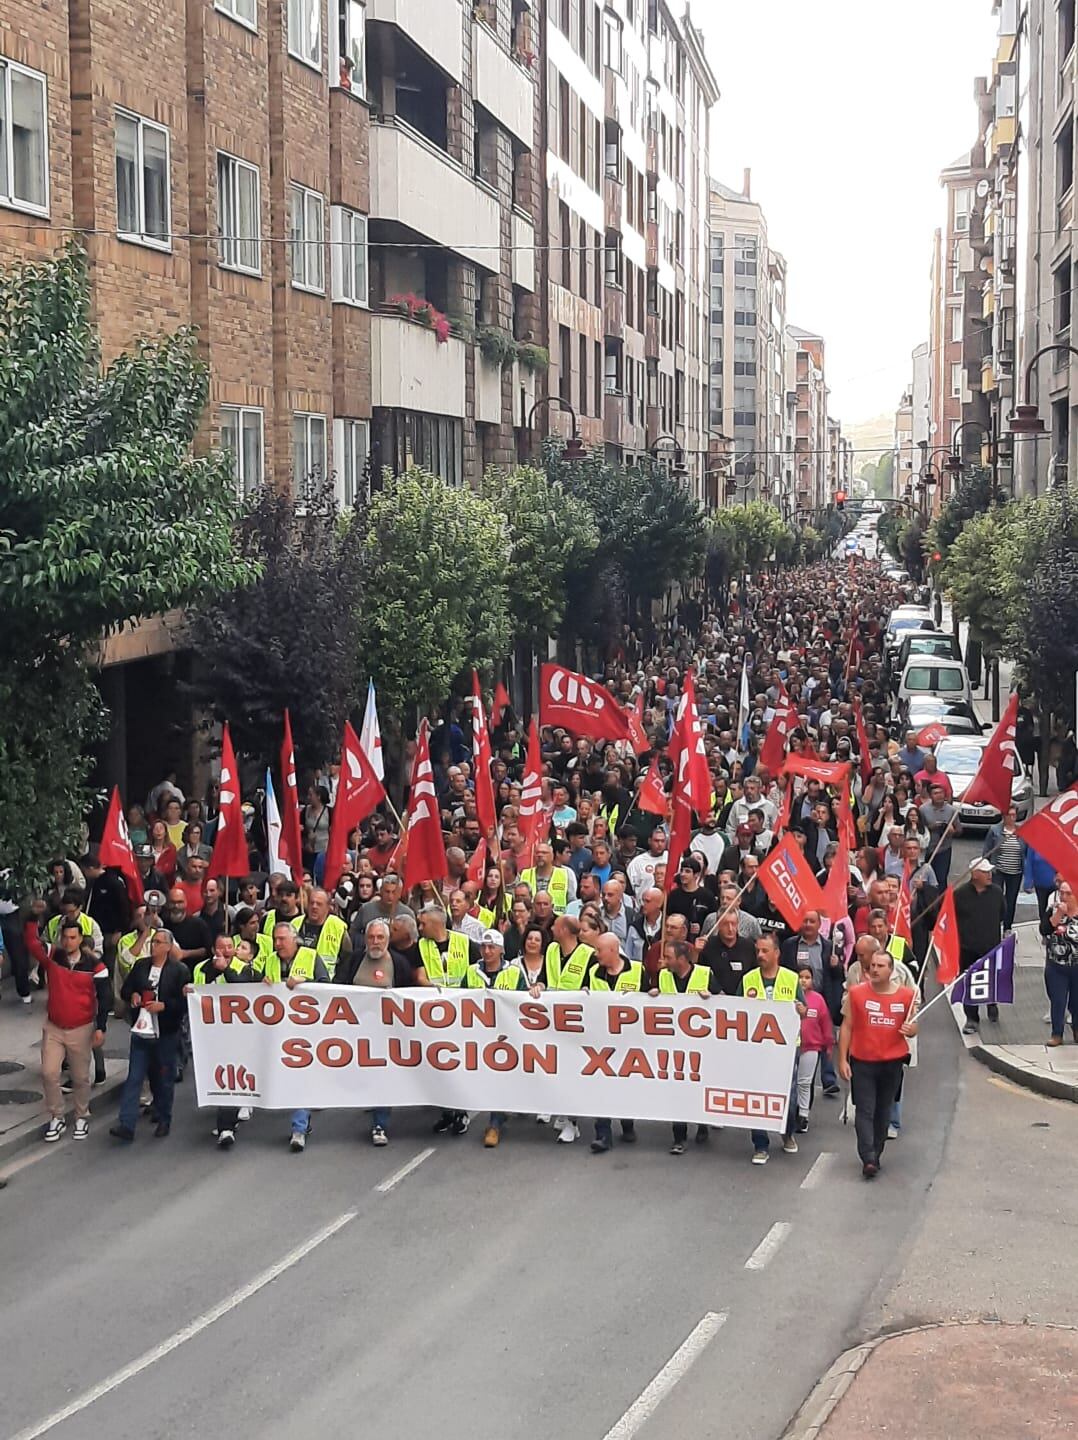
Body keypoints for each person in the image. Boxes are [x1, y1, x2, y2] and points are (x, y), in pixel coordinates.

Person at [837, 949, 917, 1178]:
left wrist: (911, 1030)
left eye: (880, 966)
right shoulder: (856, 993)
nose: (874, 969)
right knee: (864, 1109)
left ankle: (877, 1150)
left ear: (891, 970)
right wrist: (842, 1059)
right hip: (863, 1062)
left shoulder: (906, 996)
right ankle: (868, 1157)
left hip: (892, 1063)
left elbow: (913, 1026)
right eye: (872, 965)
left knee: (883, 1110)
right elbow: (847, 1026)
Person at [339, 917, 417, 1145]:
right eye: (371, 937)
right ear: (365, 939)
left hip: (387, 1034)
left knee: (383, 1077)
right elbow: (336, 987)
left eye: (380, 937)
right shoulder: (354, 960)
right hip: (357, 1033)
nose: (375, 941)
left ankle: (379, 1125)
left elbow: (409, 997)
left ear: (388, 940)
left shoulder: (399, 964)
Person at [111, 929, 191, 1142]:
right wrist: (134, 995)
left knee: (163, 1078)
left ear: (168, 947)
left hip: (165, 1033)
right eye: (152, 941)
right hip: (141, 1031)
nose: (153, 945)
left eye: (158, 942)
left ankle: (164, 1118)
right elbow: (126, 990)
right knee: (134, 1077)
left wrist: (164, 1006)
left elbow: (184, 1003)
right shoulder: (141, 966)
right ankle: (127, 1124)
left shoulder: (179, 971)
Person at [40, 919, 110, 1143]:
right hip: (54, 1027)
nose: (68, 941)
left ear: (80, 939)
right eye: (65, 937)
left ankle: (81, 1116)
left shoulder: (96, 966)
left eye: (73, 937)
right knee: (49, 1073)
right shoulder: (54, 956)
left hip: (81, 1028)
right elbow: (32, 944)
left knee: (80, 1077)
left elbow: (105, 998)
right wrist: (32, 918)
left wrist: (100, 1028)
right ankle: (57, 1116)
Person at [263, 924, 330, 1151]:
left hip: (306, 1030)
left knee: (301, 1076)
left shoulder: (311, 956)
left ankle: (299, 1128)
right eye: (275, 939)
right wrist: (263, 984)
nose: (277, 944)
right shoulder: (271, 960)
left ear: (294, 939)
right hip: (279, 1029)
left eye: (282, 939)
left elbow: (327, 987)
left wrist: (305, 983)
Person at [739, 933, 803, 1165]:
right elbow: (735, 1009)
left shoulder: (791, 978)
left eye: (765, 951)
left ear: (777, 953)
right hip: (756, 1048)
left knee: (789, 1096)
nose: (760, 955)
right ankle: (760, 1144)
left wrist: (801, 1010)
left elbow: (803, 1008)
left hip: (786, 1048)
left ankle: (787, 1131)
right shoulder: (748, 979)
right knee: (757, 1095)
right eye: (758, 951)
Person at [189, 935, 256, 1149]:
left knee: (231, 1075)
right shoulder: (201, 968)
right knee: (219, 1075)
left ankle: (226, 1127)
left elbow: (242, 988)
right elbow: (199, 991)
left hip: (237, 1032)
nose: (227, 950)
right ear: (213, 950)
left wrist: (225, 969)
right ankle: (229, 1118)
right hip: (211, 1031)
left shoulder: (243, 968)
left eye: (230, 946)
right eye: (222, 947)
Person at [464, 930, 526, 1148]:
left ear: (501, 950)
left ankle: (494, 1124)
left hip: (505, 1036)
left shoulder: (514, 973)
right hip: (477, 1034)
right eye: (484, 947)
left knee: (499, 1077)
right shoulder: (471, 971)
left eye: (492, 947)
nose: (487, 951)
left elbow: (523, 1002)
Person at [653, 940, 710, 1155]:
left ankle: (702, 1124)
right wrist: (652, 996)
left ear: (682, 959)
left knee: (698, 1088)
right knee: (677, 1091)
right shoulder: (663, 975)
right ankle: (679, 1137)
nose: (664, 961)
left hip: (699, 1046)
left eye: (668, 957)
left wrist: (712, 998)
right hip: (673, 1045)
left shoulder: (705, 974)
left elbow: (725, 1002)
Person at [586, 933, 642, 1153]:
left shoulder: (637, 970)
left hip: (629, 1042)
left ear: (612, 950)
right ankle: (603, 1134)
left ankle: (627, 1123)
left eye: (599, 950)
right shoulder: (593, 972)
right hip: (601, 1042)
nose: (596, 954)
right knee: (601, 1087)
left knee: (625, 1086)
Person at [954, 859, 1006, 1034]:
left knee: (991, 979)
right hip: (967, 947)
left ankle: (992, 1003)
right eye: (985, 872)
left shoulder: (997, 893)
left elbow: (1002, 913)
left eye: (990, 871)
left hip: (990, 946)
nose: (989, 875)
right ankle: (971, 1018)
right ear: (974, 874)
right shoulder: (960, 894)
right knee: (969, 983)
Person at [795, 963, 834, 1132]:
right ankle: (790, 1113)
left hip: (811, 1047)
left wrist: (828, 1045)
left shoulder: (818, 1000)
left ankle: (803, 1115)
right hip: (789, 1047)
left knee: (804, 1082)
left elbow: (825, 1024)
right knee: (791, 1083)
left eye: (807, 977)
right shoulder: (787, 996)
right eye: (800, 977)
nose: (803, 981)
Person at [1041, 881, 1078, 1046]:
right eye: (1061, 893)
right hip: (1056, 966)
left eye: (1068, 894)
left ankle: (1077, 1029)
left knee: (1076, 1002)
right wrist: (1058, 915)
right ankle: (1057, 1033)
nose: (1063, 897)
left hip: (1076, 965)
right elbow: (1044, 929)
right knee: (1058, 1000)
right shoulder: (1053, 910)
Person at [983, 806, 1026, 933]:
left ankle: (1007, 927)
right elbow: (986, 851)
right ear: (1003, 816)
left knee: (1011, 900)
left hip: (1015, 872)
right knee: (996, 899)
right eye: (1009, 815)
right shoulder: (995, 830)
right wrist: (986, 869)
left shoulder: (1022, 831)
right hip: (998, 870)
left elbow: (1026, 852)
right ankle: (994, 926)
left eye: (1014, 815)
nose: (1012, 818)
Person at [297, 887, 352, 978]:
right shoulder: (295, 924)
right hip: (297, 982)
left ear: (327, 907)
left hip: (326, 983)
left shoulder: (338, 927)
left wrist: (338, 983)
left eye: (319, 904)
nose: (314, 907)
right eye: (312, 903)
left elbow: (346, 961)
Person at [920, 784, 960, 888]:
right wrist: (931, 827)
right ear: (930, 796)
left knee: (941, 879)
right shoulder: (923, 809)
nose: (939, 796)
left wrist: (952, 831)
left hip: (944, 849)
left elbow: (960, 830)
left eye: (941, 793)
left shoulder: (952, 810)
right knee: (925, 877)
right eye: (936, 793)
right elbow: (920, 829)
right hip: (927, 848)